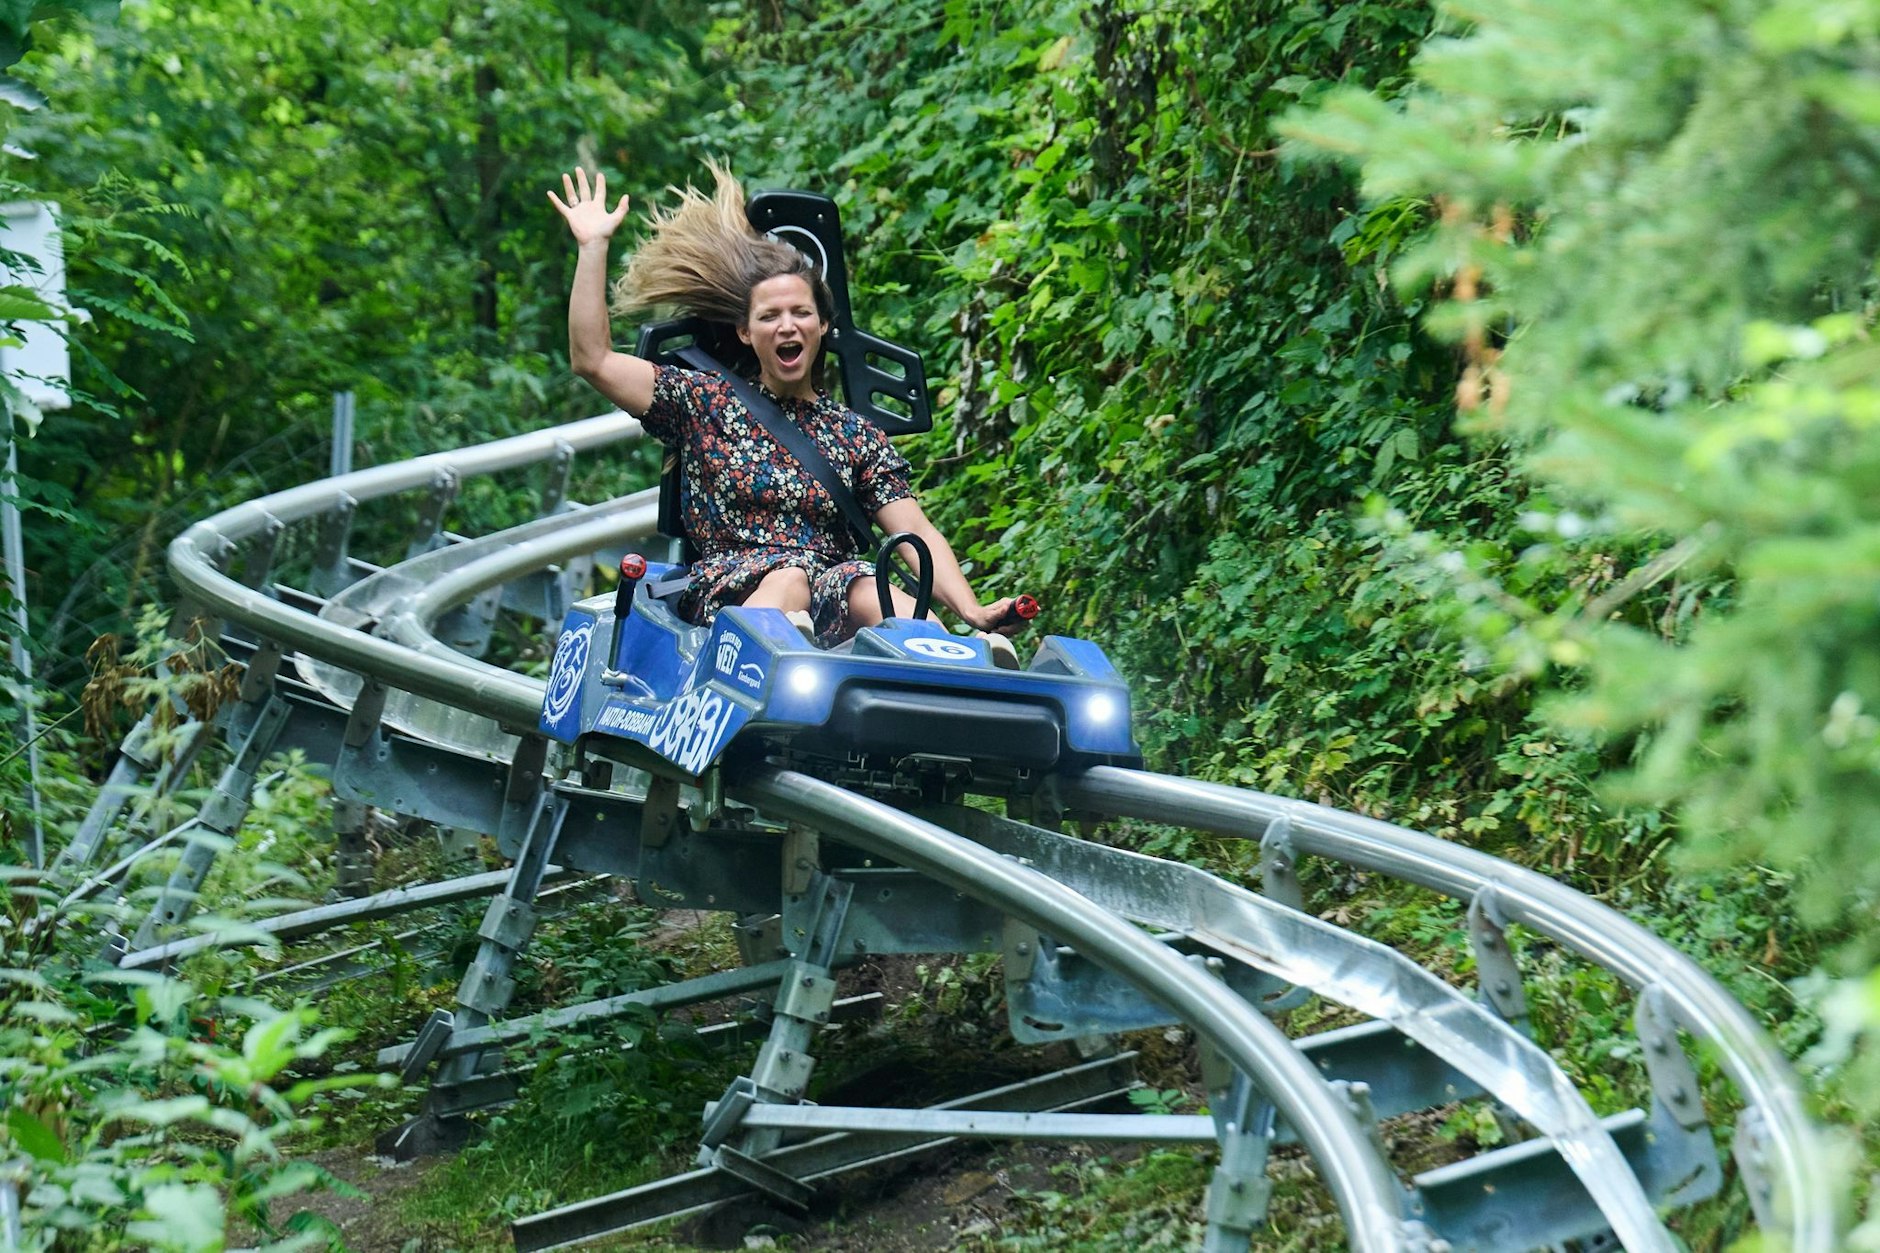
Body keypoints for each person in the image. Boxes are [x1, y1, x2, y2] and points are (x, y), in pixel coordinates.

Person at [548, 163, 1023, 653]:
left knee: (872, 590)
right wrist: (593, 246)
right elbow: (594, 360)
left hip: (832, 586)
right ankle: (768, 655)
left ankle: (952, 663)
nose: (787, 326)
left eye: (801, 313)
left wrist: (973, 611)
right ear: (745, 332)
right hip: (734, 587)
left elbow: (914, 530)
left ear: (821, 326)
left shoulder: (854, 436)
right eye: (769, 316)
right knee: (791, 578)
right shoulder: (704, 402)